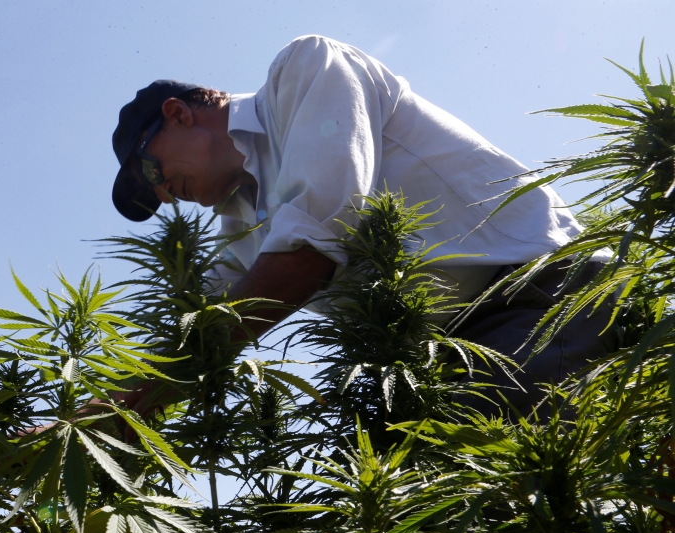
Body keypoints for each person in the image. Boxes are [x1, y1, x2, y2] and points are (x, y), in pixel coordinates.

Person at [110, 35, 616, 415]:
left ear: (177, 114)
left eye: (149, 171)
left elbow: (310, 246)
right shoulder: (240, 223)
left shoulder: (305, 69)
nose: (161, 194)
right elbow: (193, 327)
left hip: (535, 292)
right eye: (150, 196)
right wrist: (92, 418)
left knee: (485, 492)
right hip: (439, 354)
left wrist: (137, 407)